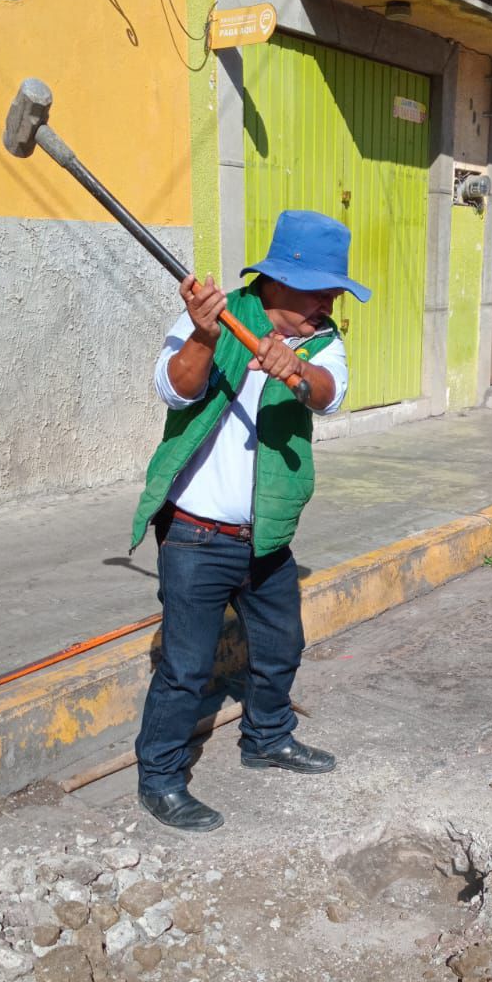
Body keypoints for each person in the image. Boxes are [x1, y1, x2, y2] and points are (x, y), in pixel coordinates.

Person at [129, 209, 368, 832]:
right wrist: (205, 336)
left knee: (281, 645)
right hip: (196, 537)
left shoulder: (322, 340)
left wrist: (297, 371)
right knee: (186, 668)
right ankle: (160, 777)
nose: (330, 303)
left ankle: (268, 738)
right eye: (320, 290)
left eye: (335, 291)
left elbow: (329, 394)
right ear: (279, 280)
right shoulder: (212, 314)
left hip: (268, 538)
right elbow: (175, 389)